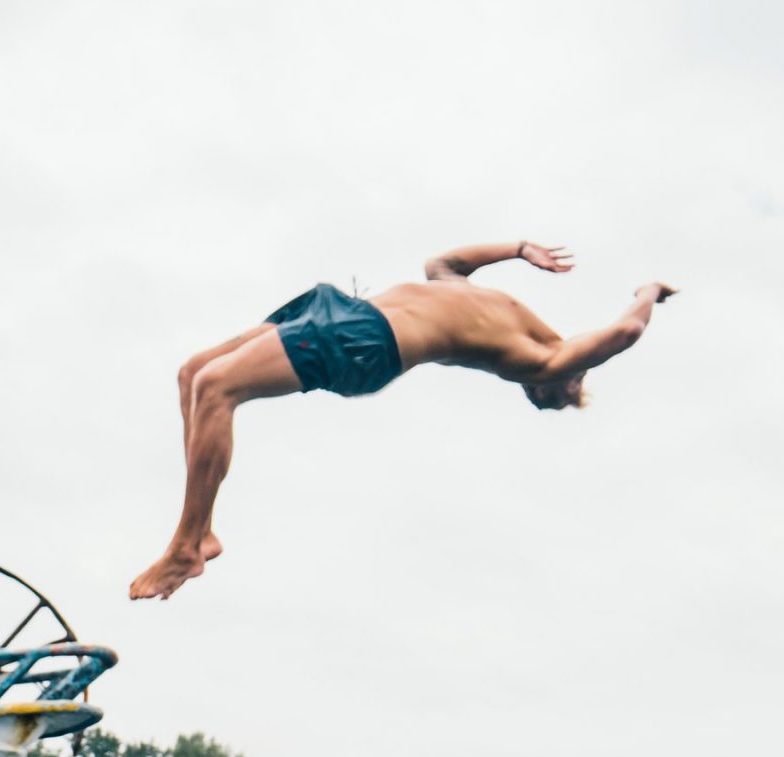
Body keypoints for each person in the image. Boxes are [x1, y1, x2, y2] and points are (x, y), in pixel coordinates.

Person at [130, 239, 676, 601]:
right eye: (550, 397)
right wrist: (516, 249)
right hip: (344, 310)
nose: (543, 391)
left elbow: (625, 333)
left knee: (217, 387)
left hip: (366, 343)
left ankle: (187, 545)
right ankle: (200, 533)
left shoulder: (540, 360)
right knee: (193, 372)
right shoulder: (493, 305)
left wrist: (646, 293)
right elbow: (444, 265)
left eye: (542, 398)